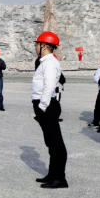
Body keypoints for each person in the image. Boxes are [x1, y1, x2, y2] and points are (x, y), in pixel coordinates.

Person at [31, 31, 67, 189]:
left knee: (56, 142)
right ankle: (53, 175)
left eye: (37, 44)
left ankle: (59, 178)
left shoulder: (50, 63)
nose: (35, 47)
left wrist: (43, 105)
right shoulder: (45, 61)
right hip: (44, 104)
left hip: (46, 105)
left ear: (44, 45)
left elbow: (50, 85)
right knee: (51, 142)